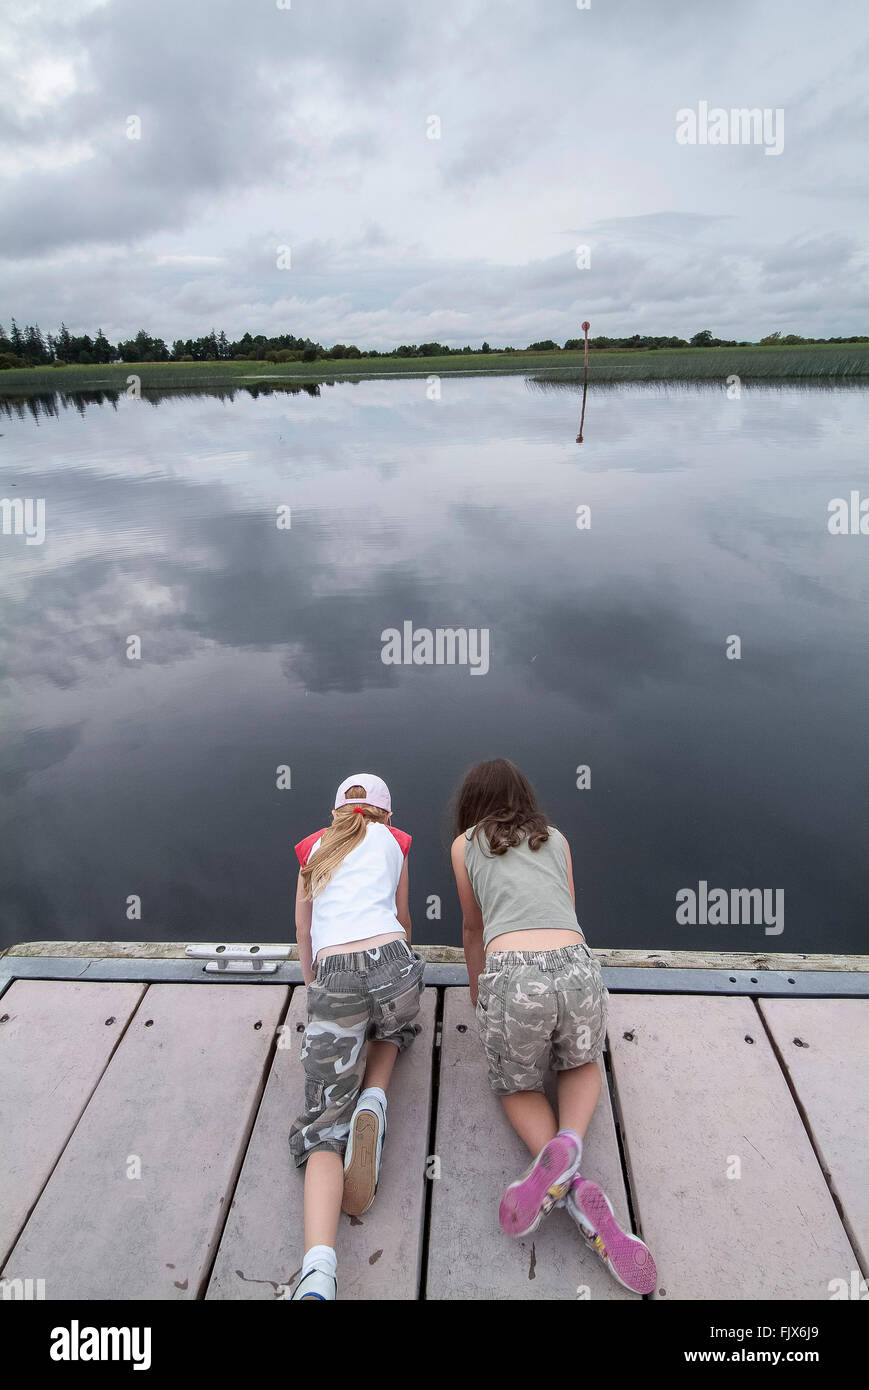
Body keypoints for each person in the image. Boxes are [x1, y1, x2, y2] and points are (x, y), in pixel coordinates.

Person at [450, 757, 656, 1295]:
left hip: (515, 980)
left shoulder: (465, 844)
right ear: (524, 797)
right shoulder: (557, 838)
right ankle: (570, 1141)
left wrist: (481, 996)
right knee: (582, 1062)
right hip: (578, 966)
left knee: (515, 1084)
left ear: (471, 808)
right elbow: (565, 910)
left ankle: (566, 1172)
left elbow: (474, 929)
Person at [287, 773, 423, 1301]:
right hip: (394, 965)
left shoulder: (312, 850)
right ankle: (375, 1096)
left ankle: (318, 1274)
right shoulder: (396, 842)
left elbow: (304, 932)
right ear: (386, 815)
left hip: (335, 975)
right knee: (396, 1023)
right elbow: (404, 920)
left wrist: (316, 986)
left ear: (335, 812)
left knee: (322, 1126)